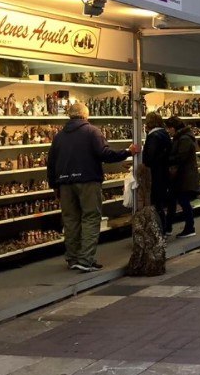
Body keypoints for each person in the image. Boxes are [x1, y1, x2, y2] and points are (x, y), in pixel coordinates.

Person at [47, 102, 140, 272]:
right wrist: (127, 152)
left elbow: (51, 164)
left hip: (64, 184)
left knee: (70, 220)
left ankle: (72, 258)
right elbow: (104, 154)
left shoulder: (59, 137)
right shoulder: (92, 132)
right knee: (90, 217)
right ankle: (85, 259)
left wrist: (54, 185)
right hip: (88, 181)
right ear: (85, 115)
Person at [165, 115, 200, 238]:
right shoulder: (182, 137)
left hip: (184, 176)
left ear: (174, 127)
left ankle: (190, 228)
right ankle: (168, 227)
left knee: (183, 201)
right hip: (181, 175)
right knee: (174, 200)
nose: (168, 131)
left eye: (169, 128)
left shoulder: (184, 139)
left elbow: (181, 157)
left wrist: (166, 159)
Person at [142, 112, 172, 235]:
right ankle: (164, 228)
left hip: (156, 173)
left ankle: (160, 229)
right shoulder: (165, 134)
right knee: (161, 202)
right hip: (164, 172)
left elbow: (150, 157)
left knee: (156, 202)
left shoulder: (153, 136)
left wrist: (145, 162)